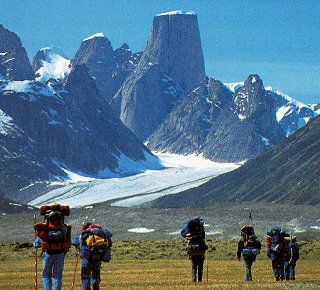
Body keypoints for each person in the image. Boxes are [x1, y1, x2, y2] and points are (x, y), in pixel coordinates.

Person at [34, 205, 71, 290]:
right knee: (57, 275)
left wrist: (36, 244)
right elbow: (67, 239)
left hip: (48, 253)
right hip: (60, 253)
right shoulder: (63, 227)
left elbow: (38, 242)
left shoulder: (45, 227)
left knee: (46, 275)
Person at [74, 222, 112, 290]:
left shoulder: (85, 234)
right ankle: (96, 287)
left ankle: (86, 288)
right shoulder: (102, 234)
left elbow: (76, 242)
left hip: (87, 259)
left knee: (85, 276)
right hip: (98, 258)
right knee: (96, 275)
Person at [181, 217, 208, 283]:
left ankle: (194, 280)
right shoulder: (201, 232)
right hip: (200, 250)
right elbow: (203, 238)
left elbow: (185, 236)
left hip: (192, 251)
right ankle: (200, 281)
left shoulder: (190, 234)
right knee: (200, 267)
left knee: (194, 267)